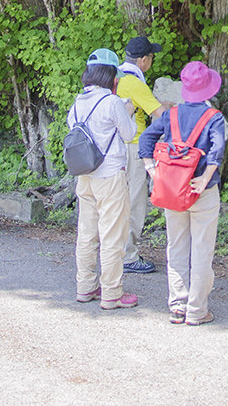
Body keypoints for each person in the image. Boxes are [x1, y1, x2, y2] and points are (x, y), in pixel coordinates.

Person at [138, 60, 226, 325]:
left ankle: (177, 305)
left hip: (172, 191)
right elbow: (217, 150)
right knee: (201, 250)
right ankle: (197, 310)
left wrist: (154, 172)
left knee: (176, 246)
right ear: (209, 89)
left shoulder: (171, 114)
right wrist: (204, 178)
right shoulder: (215, 117)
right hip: (203, 191)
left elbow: (145, 140)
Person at [70, 50, 140, 309]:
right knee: (112, 235)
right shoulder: (112, 103)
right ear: (111, 76)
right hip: (110, 176)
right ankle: (112, 292)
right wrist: (129, 110)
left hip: (85, 175)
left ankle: (85, 287)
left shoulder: (77, 102)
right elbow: (129, 134)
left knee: (87, 234)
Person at [117, 35, 165, 274]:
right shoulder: (136, 83)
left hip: (113, 149)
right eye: (151, 57)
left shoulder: (116, 78)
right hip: (133, 147)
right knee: (135, 202)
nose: (152, 60)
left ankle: (115, 251)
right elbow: (160, 114)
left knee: (116, 202)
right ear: (143, 60)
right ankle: (128, 256)